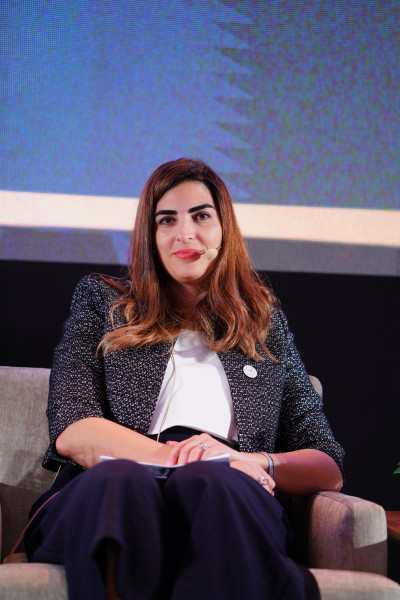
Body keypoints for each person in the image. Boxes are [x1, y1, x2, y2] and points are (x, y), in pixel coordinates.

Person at [24, 158, 344, 600]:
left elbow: (327, 463)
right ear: (151, 235)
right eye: (167, 220)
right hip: (115, 483)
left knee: (214, 484)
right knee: (123, 481)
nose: (185, 234)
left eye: (201, 216)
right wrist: (179, 460)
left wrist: (253, 462)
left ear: (224, 229)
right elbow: (73, 427)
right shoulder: (104, 303)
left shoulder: (265, 325)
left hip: (226, 487)